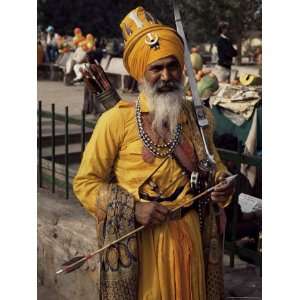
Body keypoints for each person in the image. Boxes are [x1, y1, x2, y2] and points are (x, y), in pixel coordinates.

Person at [73, 6, 234, 300]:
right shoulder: (115, 121)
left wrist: (222, 183)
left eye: (172, 66)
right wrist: (133, 210)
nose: (166, 75)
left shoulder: (199, 119)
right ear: (141, 74)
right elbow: (85, 184)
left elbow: (214, 165)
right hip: (141, 248)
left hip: (192, 242)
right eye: (156, 68)